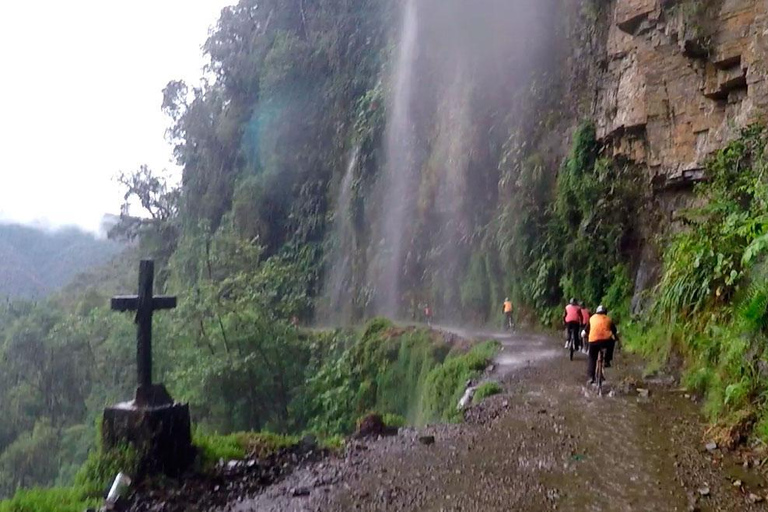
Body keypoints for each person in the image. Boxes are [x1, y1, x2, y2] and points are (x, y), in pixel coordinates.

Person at [584, 305, 618, 384]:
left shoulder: (592, 318)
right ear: (605, 312)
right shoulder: (608, 319)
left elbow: (586, 330)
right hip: (605, 341)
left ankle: (591, 377)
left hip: (593, 341)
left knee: (592, 358)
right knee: (612, 342)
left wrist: (586, 336)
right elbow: (614, 331)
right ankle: (607, 360)